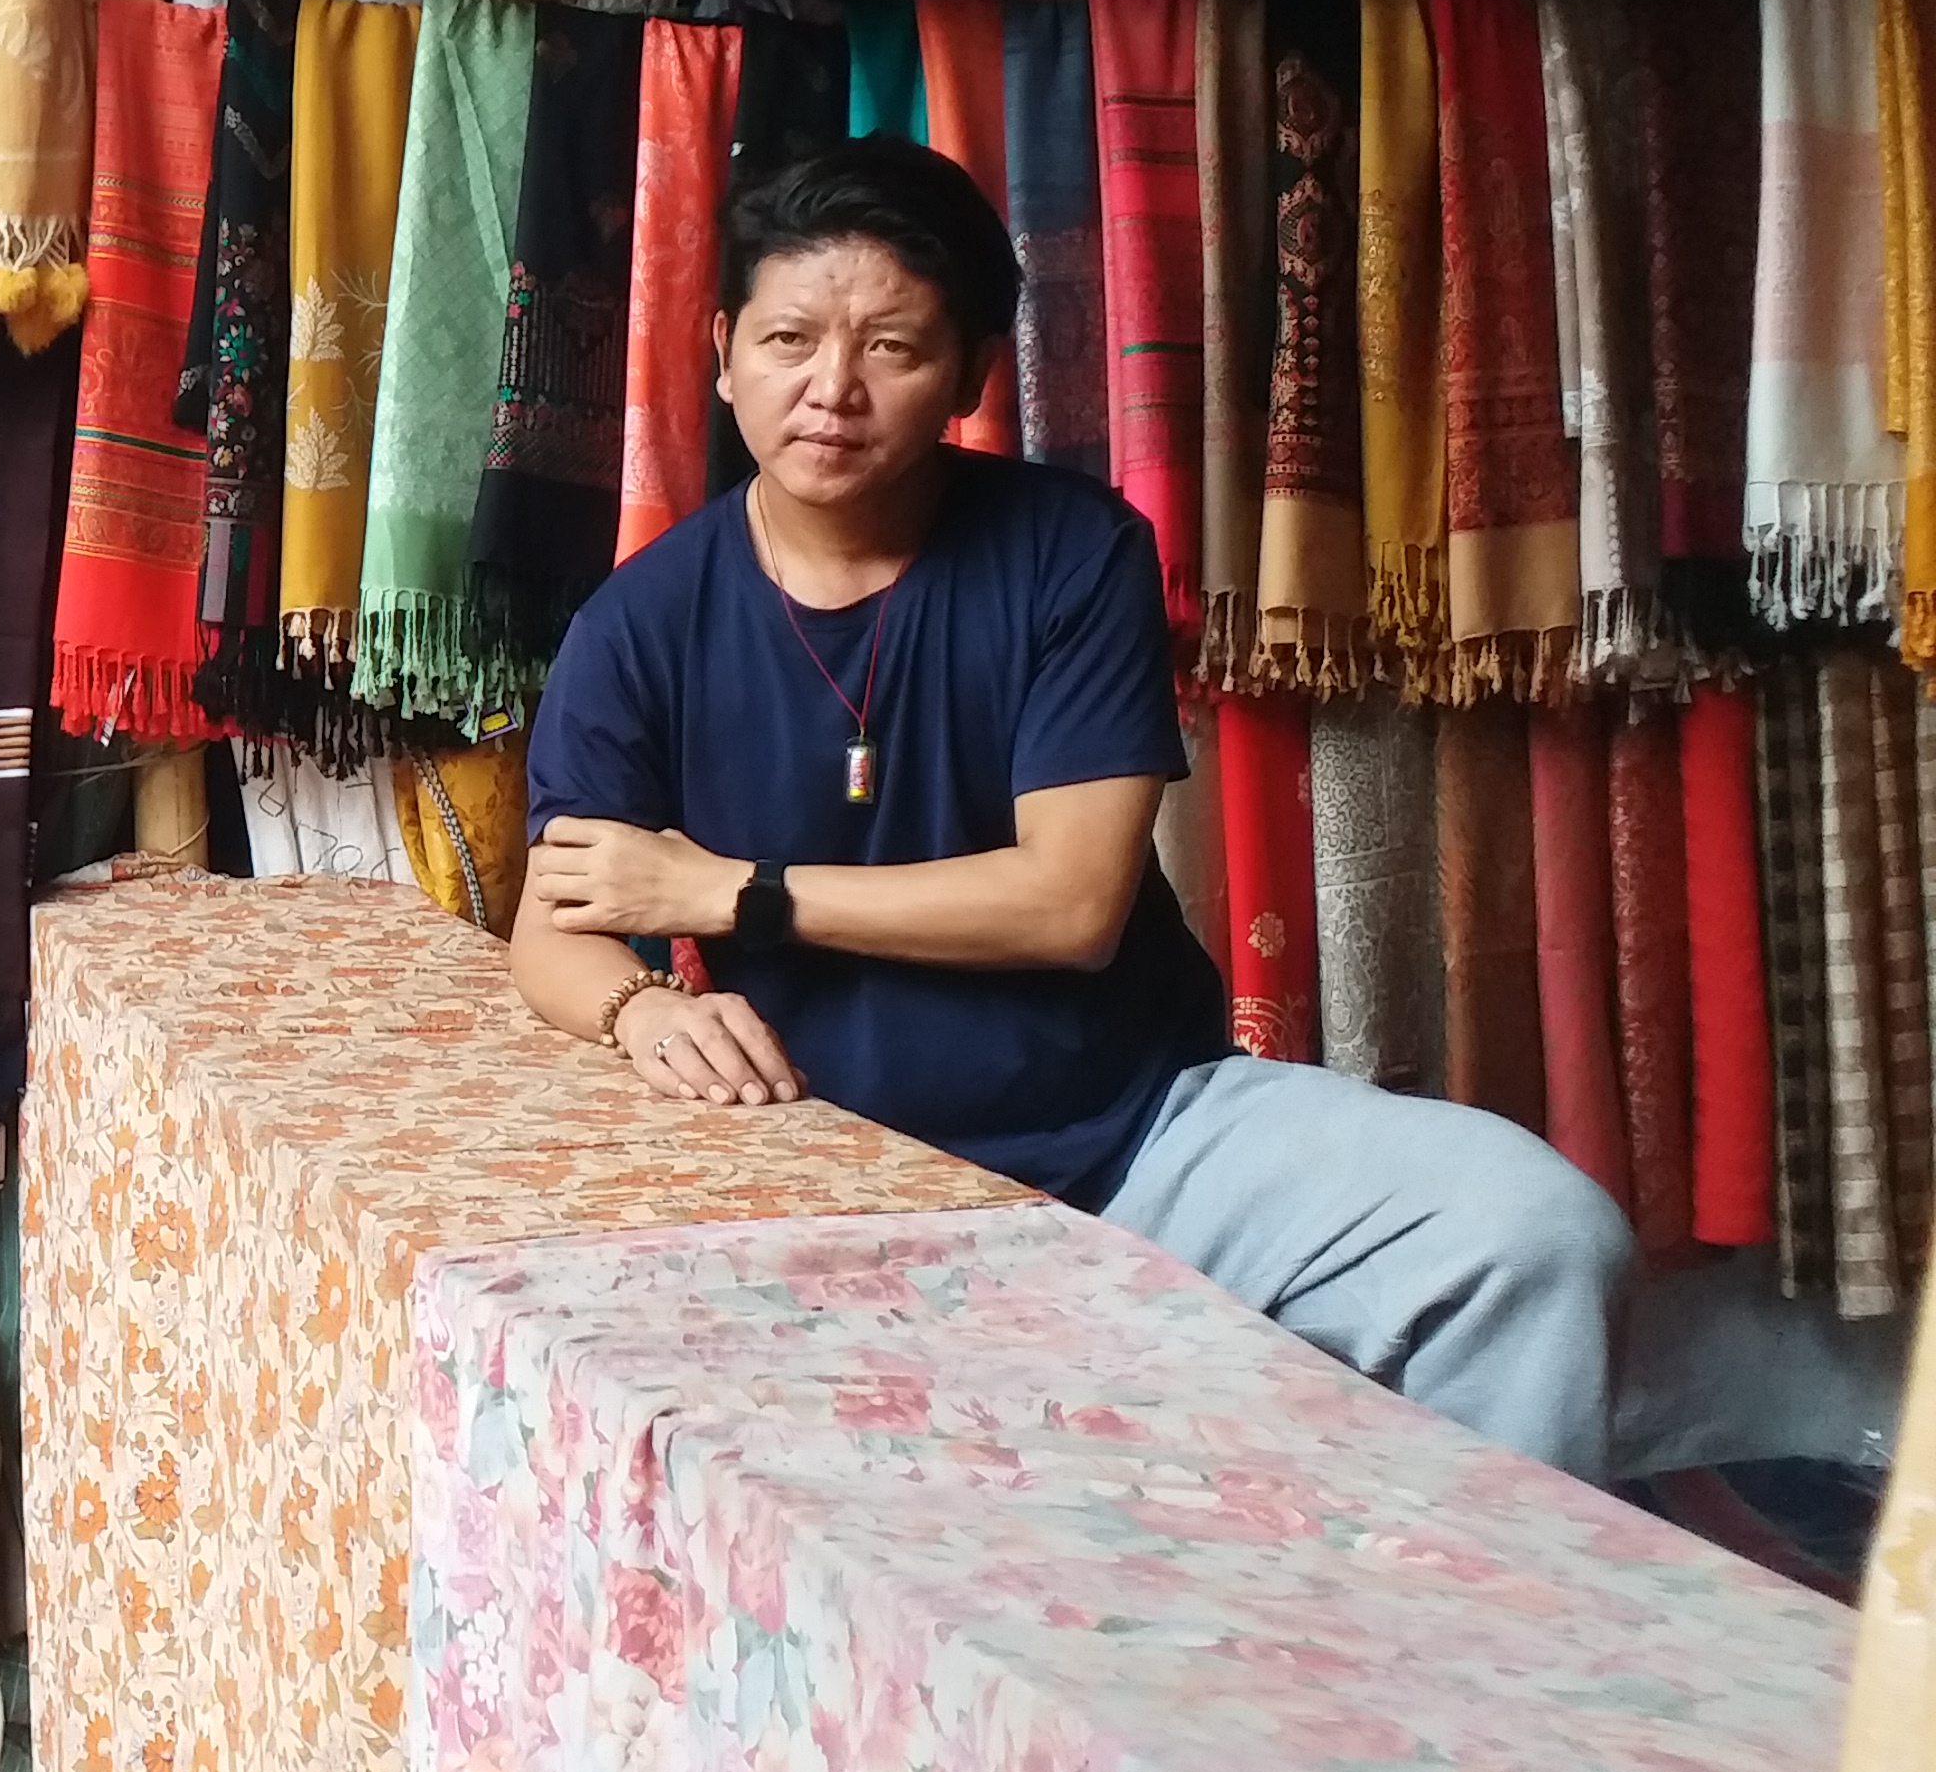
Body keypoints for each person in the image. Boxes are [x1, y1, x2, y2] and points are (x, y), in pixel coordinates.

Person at [512, 138, 1659, 1475]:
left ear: (974, 374)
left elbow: (1068, 904)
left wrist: (731, 891)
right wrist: (640, 1006)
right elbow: (560, 926)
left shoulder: (1073, 550)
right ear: (722, 349)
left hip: (1144, 1136)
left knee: (1532, 1234)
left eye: (892, 346)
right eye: (788, 339)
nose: (831, 390)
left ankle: (1476, 1640)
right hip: (833, 1176)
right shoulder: (640, 625)